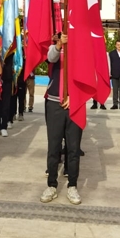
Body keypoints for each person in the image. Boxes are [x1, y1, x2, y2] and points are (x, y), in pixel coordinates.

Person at [40, 32, 82, 205]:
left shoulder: (81, 50)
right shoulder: (56, 47)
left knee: (73, 148)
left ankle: (72, 185)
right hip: (54, 103)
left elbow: (87, 77)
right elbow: (50, 58)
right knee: (54, 147)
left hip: (75, 104)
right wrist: (59, 45)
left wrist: (75, 96)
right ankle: (51, 185)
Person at [109, 40, 120, 110]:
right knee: (115, 90)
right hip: (114, 74)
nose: (119, 46)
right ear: (115, 45)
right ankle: (115, 104)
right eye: (118, 45)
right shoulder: (111, 53)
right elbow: (109, 63)